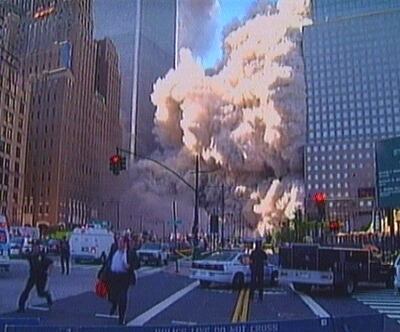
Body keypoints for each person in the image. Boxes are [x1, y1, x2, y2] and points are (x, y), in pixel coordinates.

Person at [106, 235, 137, 325]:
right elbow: (108, 260)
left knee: (123, 298)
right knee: (111, 295)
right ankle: (114, 304)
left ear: (125, 243)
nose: (119, 244)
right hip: (113, 277)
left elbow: (136, 264)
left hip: (124, 278)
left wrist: (130, 266)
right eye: (118, 242)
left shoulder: (130, 253)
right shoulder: (114, 249)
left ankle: (121, 318)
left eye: (121, 242)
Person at [18, 241, 53, 312]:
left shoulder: (42, 256)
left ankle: (48, 296)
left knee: (40, 293)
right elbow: (22, 255)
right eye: (34, 247)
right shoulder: (31, 255)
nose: (35, 249)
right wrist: (20, 247)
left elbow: (51, 263)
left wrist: (49, 272)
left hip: (42, 276)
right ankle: (21, 307)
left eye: (36, 247)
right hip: (33, 275)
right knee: (27, 290)